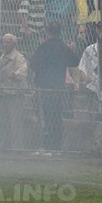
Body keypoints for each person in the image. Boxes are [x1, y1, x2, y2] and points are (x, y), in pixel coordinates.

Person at [30, 22, 78, 155]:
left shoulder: (43, 47)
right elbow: (75, 61)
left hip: (44, 86)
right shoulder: (63, 47)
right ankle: (56, 146)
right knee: (56, 114)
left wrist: (42, 72)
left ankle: (47, 145)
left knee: (46, 115)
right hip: (58, 86)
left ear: (48, 32)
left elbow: (33, 64)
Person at [0, 34, 29, 150]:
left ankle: (17, 148)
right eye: (4, 42)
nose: (5, 44)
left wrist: (15, 75)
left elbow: (23, 71)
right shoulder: (1, 57)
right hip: (3, 93)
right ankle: (3, 146)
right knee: (3, 122)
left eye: (8, 42)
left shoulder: (19, 57)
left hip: (15, 95)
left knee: (16, 123)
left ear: (14, 44)